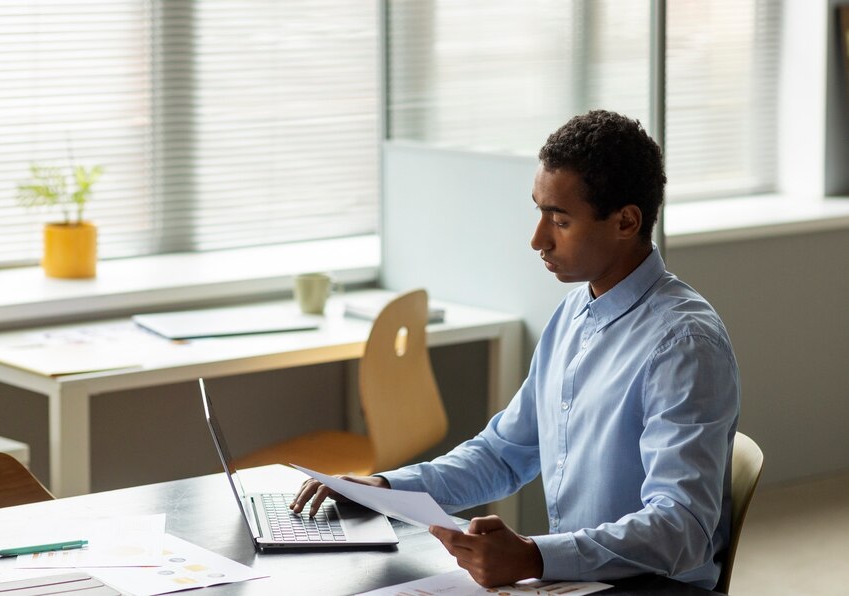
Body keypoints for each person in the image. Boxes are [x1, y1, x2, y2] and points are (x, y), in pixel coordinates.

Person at [291, 110, 739, 590]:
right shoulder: (574, 314)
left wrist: (533, 557)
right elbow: (503, 455)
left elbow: (682, 529)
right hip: (577, 580)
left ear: (626, 221)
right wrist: (387, 488)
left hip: (650, 587)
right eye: (539, 211)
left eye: (560, 220)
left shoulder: (684, 345)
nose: (537, 239)